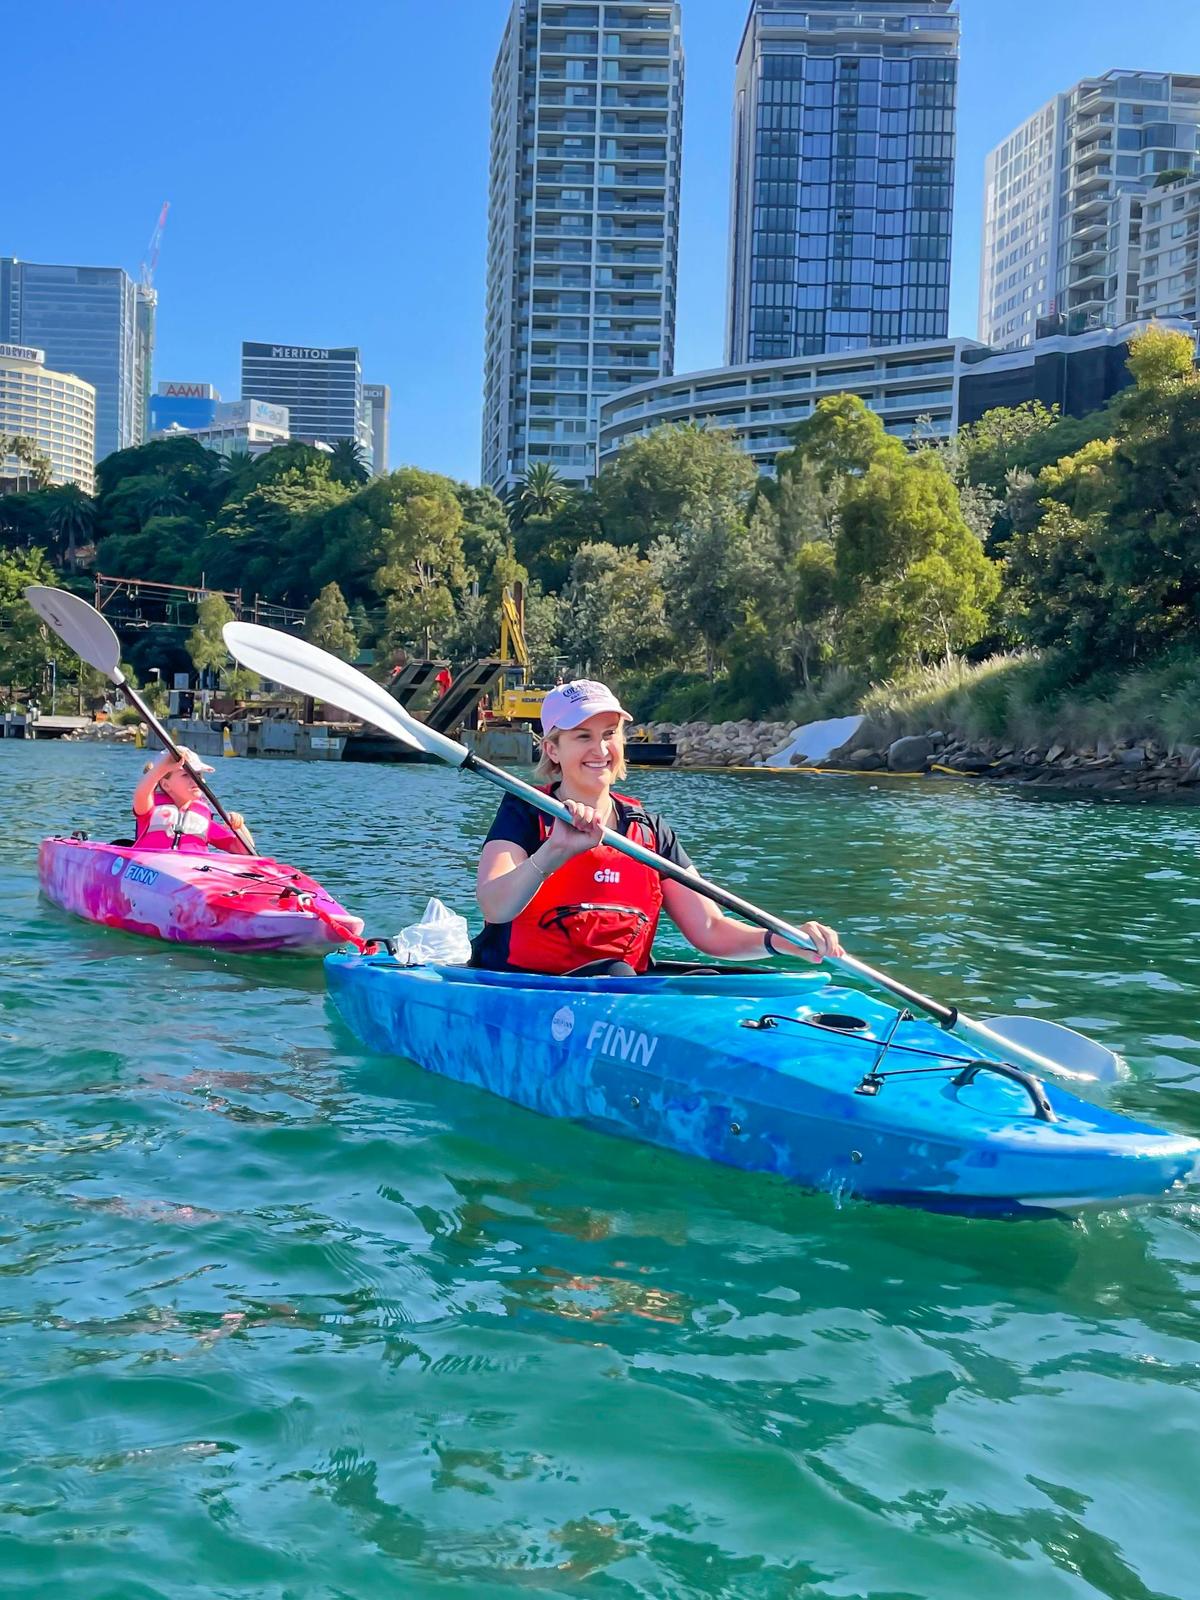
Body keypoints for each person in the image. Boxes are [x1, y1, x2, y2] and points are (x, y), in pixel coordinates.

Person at [474, 679, 842, 975]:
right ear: (553, 750)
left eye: (609, 734)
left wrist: (779, 941)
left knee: (706, 983)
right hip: (531, 992)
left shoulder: (650, 831)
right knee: (617, 972)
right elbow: (495, 908)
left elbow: (710, 930)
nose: (600, 749)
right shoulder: (525, 811)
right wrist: (554, 851)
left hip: (624, 998)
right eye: (582, 736)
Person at [131, 746, 255, 855]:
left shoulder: (203, 819)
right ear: (166, 785)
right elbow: (142, 792)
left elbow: (243, 850)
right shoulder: (149, 809)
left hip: (192, 871)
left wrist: (239, 826)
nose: (195, 780)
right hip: (153, 868)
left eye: (198, 775)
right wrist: (162, 768)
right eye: (185, 775)